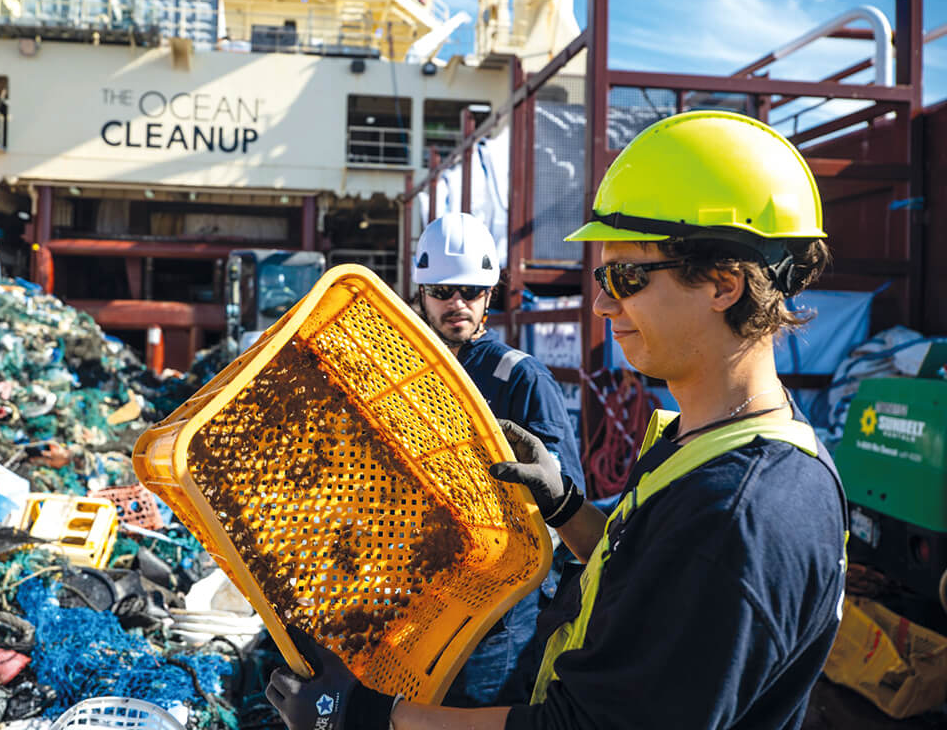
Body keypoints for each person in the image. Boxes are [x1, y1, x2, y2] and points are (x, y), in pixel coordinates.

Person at [266, 111, 848, 730]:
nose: (601, 302)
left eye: (625, 276)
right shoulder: (705, 445)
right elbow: (640, 585)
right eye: (603, 277)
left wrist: (367, 716)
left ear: (724, 283)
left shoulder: (739, 512)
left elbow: (584, 726)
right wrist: (566, 505)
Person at [411, 211, 584, 706]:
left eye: (470, 291)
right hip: (424, 592)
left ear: (490, 295)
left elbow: (564, 494)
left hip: (502, 612)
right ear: (422, 293)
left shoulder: (522, 378)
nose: (457, 304)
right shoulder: (409, 372)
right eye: (443, 291)